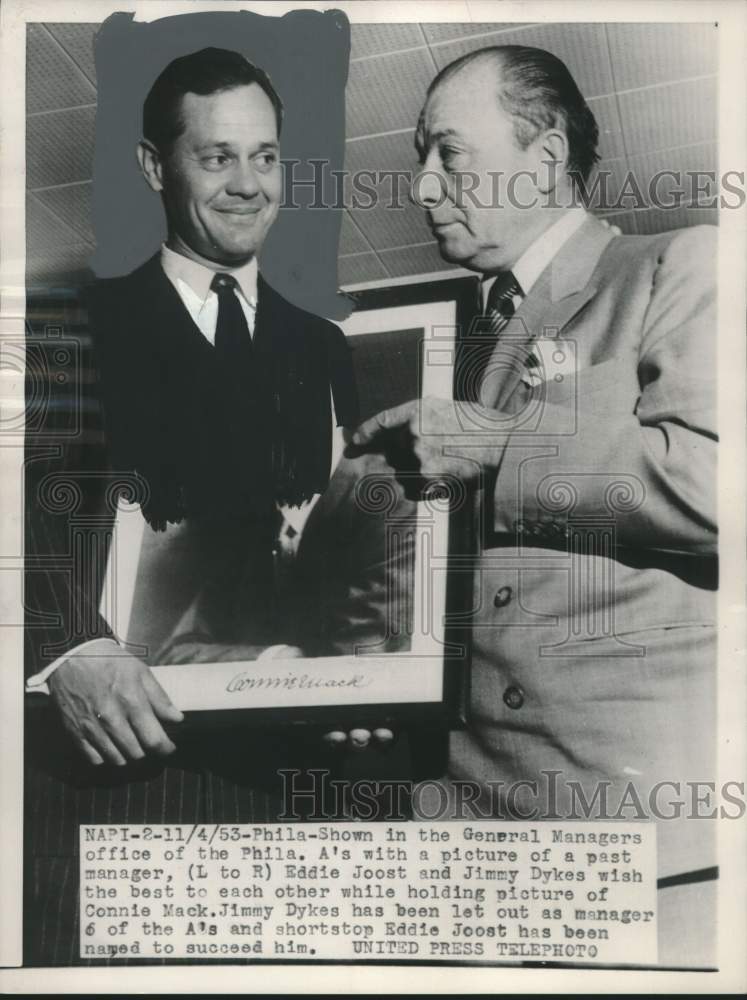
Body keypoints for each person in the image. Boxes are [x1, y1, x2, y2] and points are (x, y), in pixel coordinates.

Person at [349, 45, 717, 968]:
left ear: (544, 157)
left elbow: (719, 491)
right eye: (419, 162)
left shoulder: (680, 266)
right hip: (458, 855)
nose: (425, 188)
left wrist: (506, 446)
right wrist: (371, 676)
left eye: (449, 154)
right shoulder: (449, 339)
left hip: (643, 851)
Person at [23, 46, 356, 965]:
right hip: (110, 788)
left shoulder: (326, 348)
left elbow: (343, 547)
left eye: (265, 156)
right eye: (216, 157)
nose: (248, 185)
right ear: (152, 166)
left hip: (293, 797)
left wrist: (368, 675)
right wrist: (60, 650)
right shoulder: (64, 328)